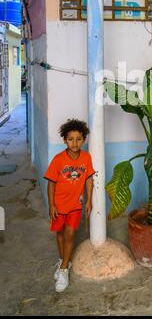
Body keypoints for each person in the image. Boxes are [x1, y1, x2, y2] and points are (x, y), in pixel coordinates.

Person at [44, 119, 95, 292]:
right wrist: (51, 205)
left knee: (70, 233)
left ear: (84, 140)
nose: (75, 143)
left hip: (75, 204)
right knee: (59, 233)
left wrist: (89, 200)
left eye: (79, 139)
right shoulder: (58, 160)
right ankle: (63, 259)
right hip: (59, 205)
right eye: (71, 139)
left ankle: (64, 268)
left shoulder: (86, 158)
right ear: (64, 140)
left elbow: (88, 179)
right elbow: (50, 183)